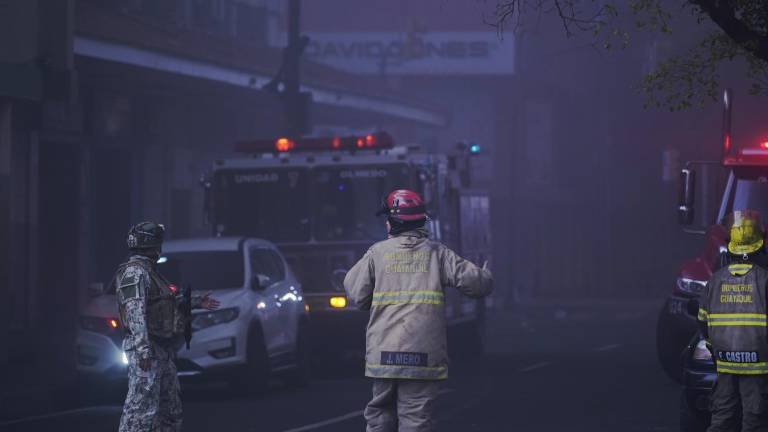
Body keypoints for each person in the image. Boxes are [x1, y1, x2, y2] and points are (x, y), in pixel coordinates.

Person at [344, 189, 493, 432]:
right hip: (422, 354)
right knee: (415, 418)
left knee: (379, 416)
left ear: (391, 223)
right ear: (421, 221)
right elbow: (478, 285)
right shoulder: (438, 253)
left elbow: (357, 295)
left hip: (384, 355)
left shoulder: (376, 254)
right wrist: (486, 274)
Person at [116, 221, 220, 432]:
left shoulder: (150, 272)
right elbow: (135, 311)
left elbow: (165, 300)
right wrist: (143, 349)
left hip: (162, 348)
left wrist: (197, 301)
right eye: (157, 243)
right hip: (148, 349)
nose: (159, 248)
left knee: (169, 409)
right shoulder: (135, 273)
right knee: (141, 411)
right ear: (151, 244)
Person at [697, 210, 768, 432]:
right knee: (754, 420)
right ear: (760, 245)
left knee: (722, 418)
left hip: (725, 363)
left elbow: (702, 321)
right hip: (757, 364)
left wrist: (715, 350)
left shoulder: (715, 281)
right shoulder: (765, 280)